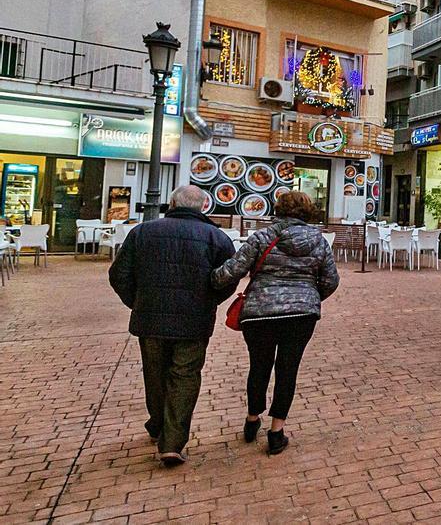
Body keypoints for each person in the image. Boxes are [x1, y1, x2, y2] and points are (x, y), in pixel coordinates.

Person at [108, 185, 236, 467]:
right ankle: (172, 441)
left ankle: (158, 424)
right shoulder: (216, 237)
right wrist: (210, 301)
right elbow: (228, 277)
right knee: (185, 376)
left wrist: (137, 301)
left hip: (150, 317)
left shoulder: (142, 232)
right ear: (204, 207)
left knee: (154, 373)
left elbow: (119, 274)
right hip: (194, 320)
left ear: (172, 203)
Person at [212, 191, 338, 455]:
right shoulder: (319, 241)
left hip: (260, 313)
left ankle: (252, 418)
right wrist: (310, 296)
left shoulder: (263, 237)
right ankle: (276, 430)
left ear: (279, 210)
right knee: (287, 370)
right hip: (301, 315)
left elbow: (232, 270)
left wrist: (207, 279)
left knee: (259, 366)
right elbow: (330, 280)